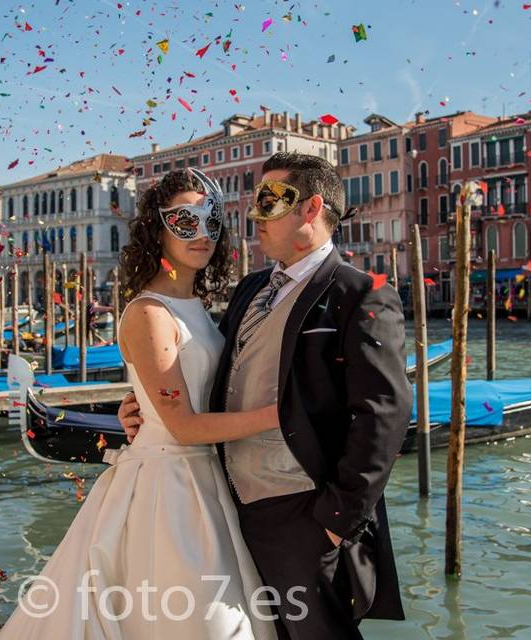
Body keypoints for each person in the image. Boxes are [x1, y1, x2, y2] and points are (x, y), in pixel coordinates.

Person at [119, 152, 412, 640]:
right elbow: (207, 373)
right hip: (229, 505)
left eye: (270, 202)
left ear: (311, 209)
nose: (254, 216)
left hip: (306, 512)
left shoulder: (359, 294)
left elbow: (384, 413)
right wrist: (141, 410)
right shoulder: (250, 290)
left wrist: (336, 522)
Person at [0, 169, 277, 639]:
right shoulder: (149, 312)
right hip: (170, 488)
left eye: (211, 221)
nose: (202, 233)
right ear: (157, 228)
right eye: (185, 221)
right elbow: (183, 426)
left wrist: (137, 404)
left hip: (204, 479)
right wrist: (279, 416)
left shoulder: (194, 308)